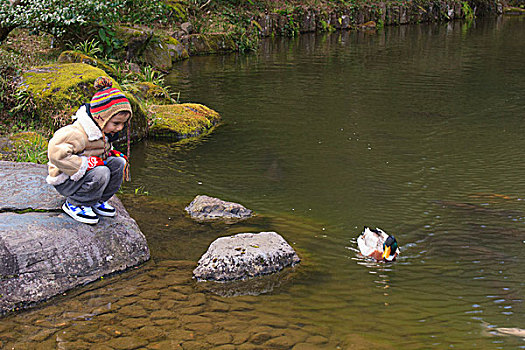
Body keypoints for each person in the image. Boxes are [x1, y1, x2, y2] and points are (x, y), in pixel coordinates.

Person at [46, 76, 132, 224]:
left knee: (119, 163)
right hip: (67, 179)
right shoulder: (78, 133)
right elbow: (55, 152)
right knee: (101, 171)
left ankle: (96, 200)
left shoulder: (104, 131)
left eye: (123, 124)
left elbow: (100, 152)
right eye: (116, 123)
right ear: (100, 118)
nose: (120, 128)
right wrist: (82, 164)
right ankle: (76, 203)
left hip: (87, 176)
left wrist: (107, 155)